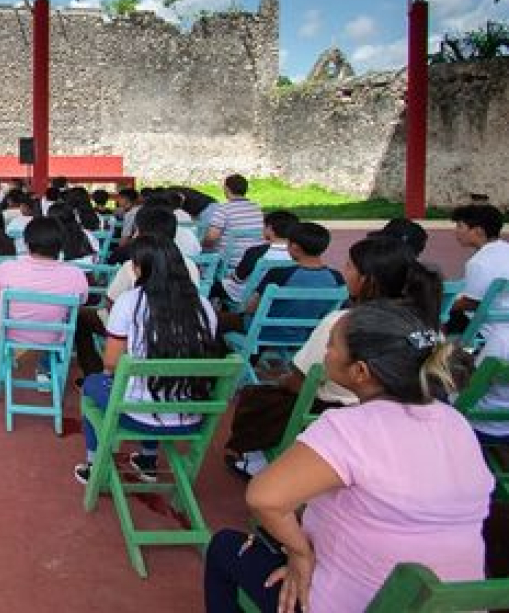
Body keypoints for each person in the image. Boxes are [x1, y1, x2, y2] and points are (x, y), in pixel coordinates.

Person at [204, 301, 492, 613]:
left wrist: (300, 553)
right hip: (453, 604)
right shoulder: (455, 424)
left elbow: (264, 498)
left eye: (330, 346)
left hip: (349, 604)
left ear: (360, 372)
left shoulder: (348, 428)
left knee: (224, 548)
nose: (325, 351)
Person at [224, 234, 441, 478]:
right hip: (405, 417)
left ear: (366, 279)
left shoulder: (342, 324)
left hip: (333, 413)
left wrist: (282, 381)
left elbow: (300, 382)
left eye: (349, 265)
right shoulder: (428, 326)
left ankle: (257, 460)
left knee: (260, 398)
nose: (344, 270)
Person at [73, 236, 222, 485]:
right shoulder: (203, 306)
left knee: (92, 384)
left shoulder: (130, 302)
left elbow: (111, 363)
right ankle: (147, 460)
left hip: (138, 412)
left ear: (140, 268)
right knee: (155, 383)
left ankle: (94, 464)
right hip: (191, 414)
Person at [0, 217, 88, 388]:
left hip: (9, 331)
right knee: (60, 317)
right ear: (61, 244)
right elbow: (80, 303)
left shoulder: (8, 267)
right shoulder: (75, 274)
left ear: (26, 242)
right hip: (52, 336)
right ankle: (45, 370)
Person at [448, 203, 509, 333]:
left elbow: (471, 303)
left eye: (460, 226)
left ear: (478, 231)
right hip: (504, 318)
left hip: (488, 328)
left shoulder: (478, 262)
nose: (456, 231)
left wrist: (441, 304)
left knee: (444, 313)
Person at [221, 210, 298, 304]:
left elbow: (238, 278)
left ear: (269, 228)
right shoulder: (299, 254)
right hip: (282, 296)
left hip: (250, 298)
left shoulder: (256, 252)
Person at [203, 174, 264, 261]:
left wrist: (201, 244)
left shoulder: (223, 209)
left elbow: (211, 238)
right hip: (253, 261)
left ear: (227, 189)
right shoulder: (257, 208)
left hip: (228, 263)